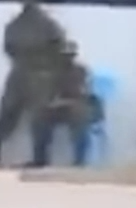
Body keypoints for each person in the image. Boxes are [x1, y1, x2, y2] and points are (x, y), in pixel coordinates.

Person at [0, 0, 67, 161]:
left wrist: (51, 71)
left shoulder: (48, 25)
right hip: (20, 72)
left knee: (40, 118)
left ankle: (40, 158)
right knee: (7, 112)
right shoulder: (15, 25)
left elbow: (59, 49)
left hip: (41, 74)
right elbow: (9, 48)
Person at [25, 38, 102, 168]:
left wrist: (65, 101)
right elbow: (44, 95)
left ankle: (80, 161)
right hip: (56, 108)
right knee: (39, 117)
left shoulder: (81, 71)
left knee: (80, 115)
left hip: (75, 107)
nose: (66, 58)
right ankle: (40, 159)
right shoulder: (50, 72)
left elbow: (83, 93)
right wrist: (51, 102)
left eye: (69, 55)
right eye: (63, 55)